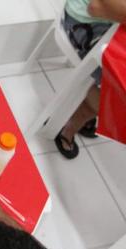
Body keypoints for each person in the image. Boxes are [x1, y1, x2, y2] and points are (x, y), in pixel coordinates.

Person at [55, 0, 126, 159]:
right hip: (83, 20)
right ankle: (68, 126)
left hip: (106, 19)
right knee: (112, 89)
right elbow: (96, 8)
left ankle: (87, 114)